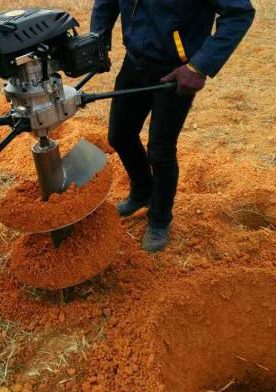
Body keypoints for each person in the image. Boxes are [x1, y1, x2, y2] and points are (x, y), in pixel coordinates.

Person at [91, 0, 255, 252]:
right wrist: (97, 40)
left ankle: (159, 219)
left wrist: (199, 66)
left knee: (160, 150)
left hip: (177, 70)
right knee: (120, 135)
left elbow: (240, 13)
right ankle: (143, 191)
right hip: (135, 60)